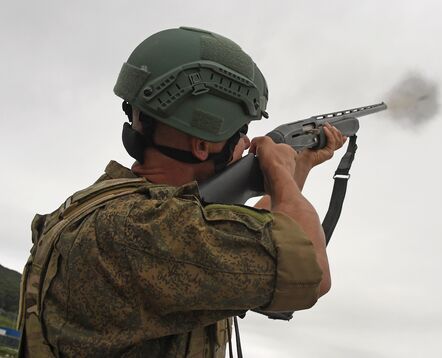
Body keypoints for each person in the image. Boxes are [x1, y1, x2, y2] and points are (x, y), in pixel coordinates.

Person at [17, 27, 346, 357]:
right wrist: (279, 174)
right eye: (241, 130)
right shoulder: (142, 230)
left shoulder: (111, 208)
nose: (247, 143)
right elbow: (309, 270)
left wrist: (298, 167)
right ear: (202, 144)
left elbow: (251, 236)